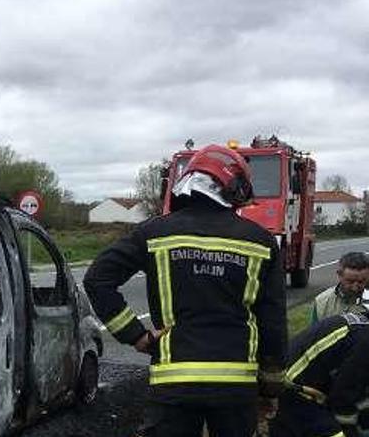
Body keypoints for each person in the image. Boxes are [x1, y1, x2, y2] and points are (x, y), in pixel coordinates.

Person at [84, 144, 287, 437]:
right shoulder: (261, 241)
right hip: (237, 387)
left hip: (173, 383)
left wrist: (135, 335)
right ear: (235, 188)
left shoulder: (153, 232)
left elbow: (97, 280)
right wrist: (270, 387)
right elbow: (273, 321)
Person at [270, 310, 369, 437]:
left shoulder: (359, 329)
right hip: (292, 393)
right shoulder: (365, 341)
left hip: (294, 388)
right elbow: (343, 397)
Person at [310, 252, 369, 324]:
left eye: (361, 282)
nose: (355, 288)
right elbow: (315, 333)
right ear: (339, 275)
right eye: (350, 281)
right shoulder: (322, 302)